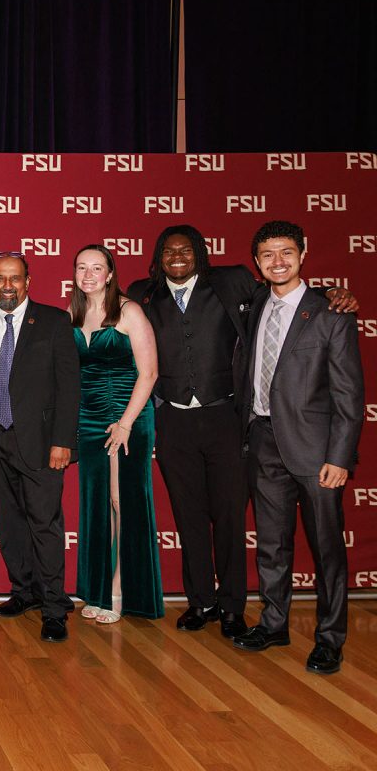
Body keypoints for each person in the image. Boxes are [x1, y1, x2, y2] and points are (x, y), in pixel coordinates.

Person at [125, 225, 357, 638]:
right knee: (189, 516)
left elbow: (287, 288)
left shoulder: (230, 282)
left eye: (186, 250)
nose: (177, 257)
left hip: (226, 421)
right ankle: (202, 602)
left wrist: (330, 294)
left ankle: (233, 606)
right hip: (174, 421)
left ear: (200, 252)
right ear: (157, 258)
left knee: (231, 517)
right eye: (168, 251)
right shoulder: (143, 292)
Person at [233, 220, 364, 675]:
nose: (278, 262)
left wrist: (339, 457)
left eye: (286, 252)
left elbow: (350, 395)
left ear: (303, 252)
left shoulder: (331, 312)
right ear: (257, 262)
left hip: (316, 450)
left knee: (328, 549)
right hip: (263, 438)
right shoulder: (253, 307)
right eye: (268, 255)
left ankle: (330, 639)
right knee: (271, 543)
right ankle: (274, 623)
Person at [0, 252, 80, 643]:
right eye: (0, 278)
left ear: (28, 282)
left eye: (15, 278)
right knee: (10, 523)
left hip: (41, 441)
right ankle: (24, 592)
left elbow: (69, 386)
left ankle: (54, 607)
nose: (7, 286)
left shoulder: (53, 321)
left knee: (45, 525)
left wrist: (63, 440)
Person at [69, 245, 162, 625]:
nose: (88, 274)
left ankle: (119, 589)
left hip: (127, 418)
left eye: (97, 268)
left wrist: (125, 423)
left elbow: (150, 373)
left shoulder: (129, 311)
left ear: (110, 274)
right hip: (88, 420)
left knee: (121, 500)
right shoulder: (73, 314)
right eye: (81, 267)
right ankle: (97, 588)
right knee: (96, 504)